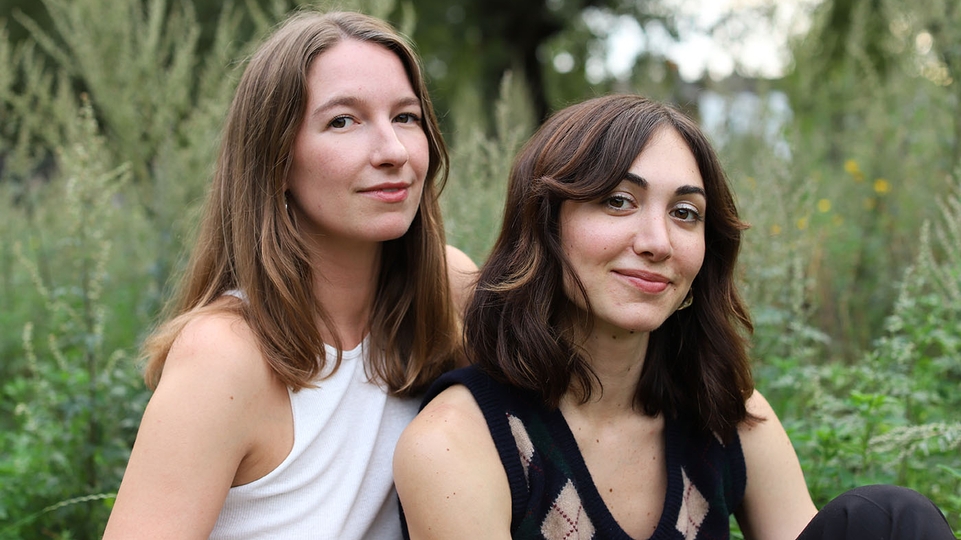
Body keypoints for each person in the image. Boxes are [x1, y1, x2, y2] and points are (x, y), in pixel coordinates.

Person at [393, 94, 955, 540]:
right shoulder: (459, 442)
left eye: (686, 214)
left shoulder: (722, 411)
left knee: (891, 519)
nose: (658, 242)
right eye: (617, 201)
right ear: (543, 224)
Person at [103, 9, 476, 539]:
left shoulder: (444, 289)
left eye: (406, 117)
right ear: (276, 160)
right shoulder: (225, 355)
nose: (393, 152)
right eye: (343, 121)